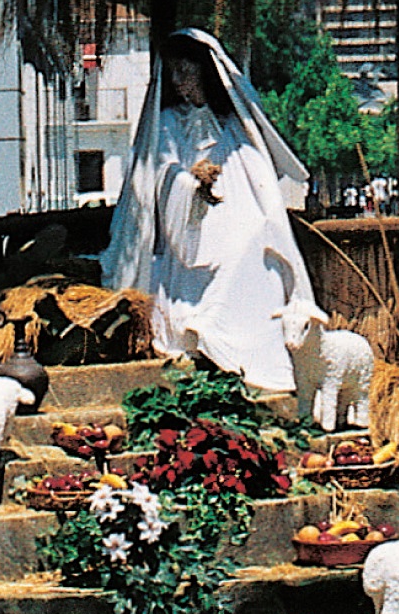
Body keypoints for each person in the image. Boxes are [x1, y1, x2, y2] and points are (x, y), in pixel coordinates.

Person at [102, 28, 318, 395]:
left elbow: (258, 182)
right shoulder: (167, 123)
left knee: (250, 247)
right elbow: (159, 174)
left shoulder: (233, 125)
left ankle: (244, 352)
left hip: (233, 219)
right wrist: (189, 183)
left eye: (186, 73)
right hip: (186, 227)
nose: (180, 82)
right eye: (174, 75)